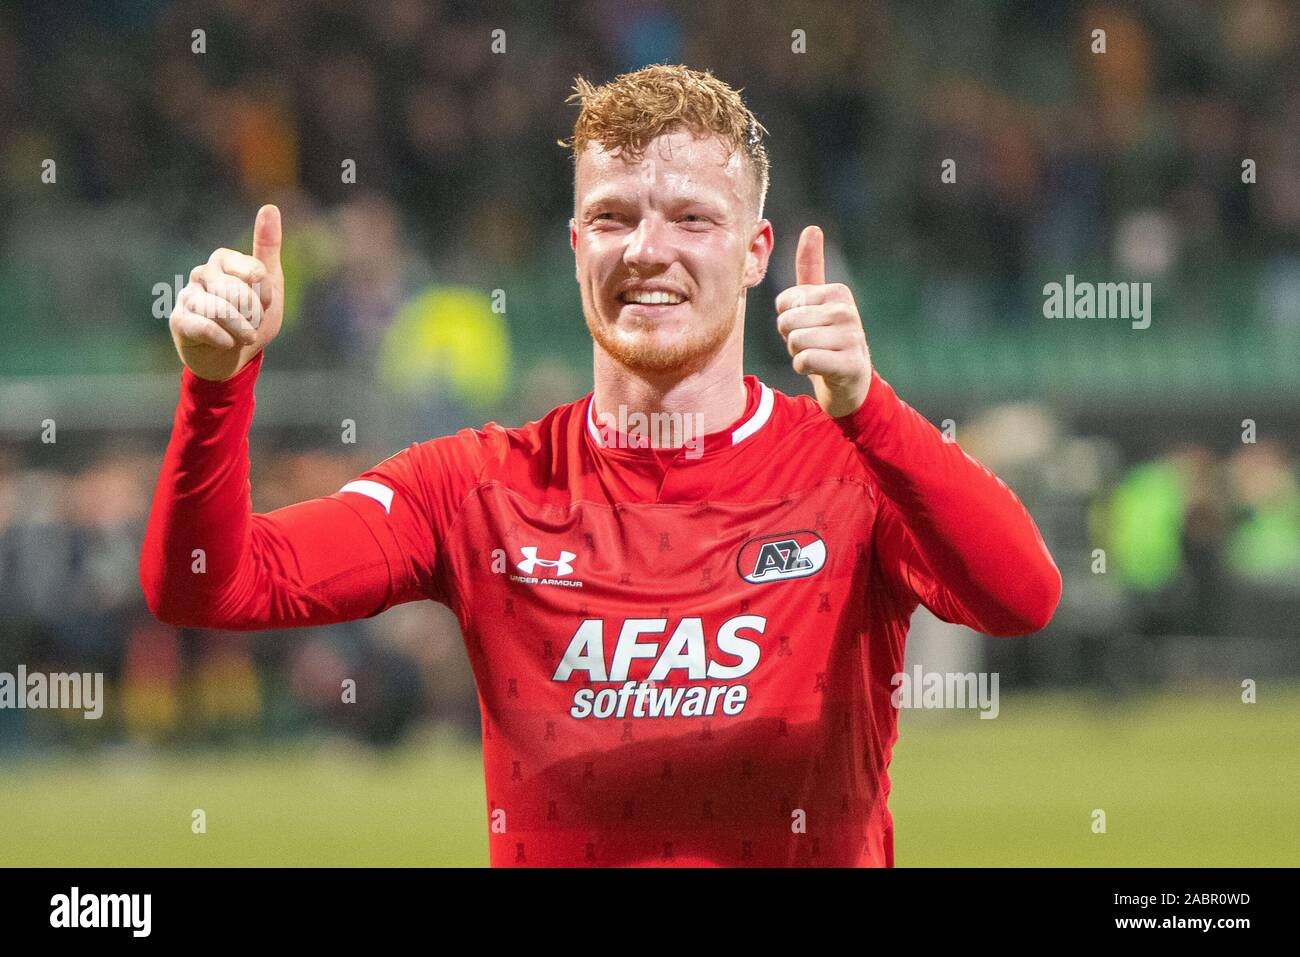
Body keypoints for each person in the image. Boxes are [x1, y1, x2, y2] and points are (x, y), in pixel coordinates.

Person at [141, 64, 1060, 867]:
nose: (646, 249)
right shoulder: (475, 488)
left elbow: (1022, 598)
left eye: (692, 218)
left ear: (755, 254)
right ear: (577, 245)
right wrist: (216, 388)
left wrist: (870, 410)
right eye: (612, 216)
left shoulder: (851, 469)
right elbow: (206, 587)